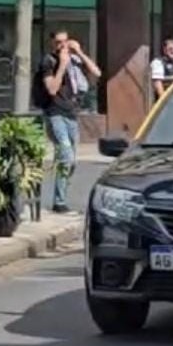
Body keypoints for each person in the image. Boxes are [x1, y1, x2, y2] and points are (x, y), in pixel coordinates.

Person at [38, 31, 101, 213]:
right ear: (52, 44)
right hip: (54, 113)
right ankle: (59, 202)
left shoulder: (75, 60)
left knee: (71, 161)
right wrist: (62, 66)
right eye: (58, 43)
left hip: (72, 114)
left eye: (65, 42)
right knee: (65, 154)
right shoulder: (49, 62)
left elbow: (96, 72)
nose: (62, 46)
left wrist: (79, 52)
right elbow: (51, 89)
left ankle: (62, 196)